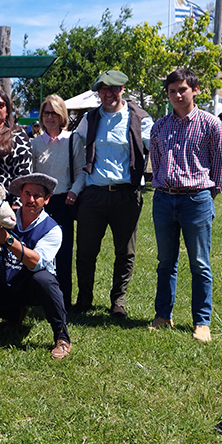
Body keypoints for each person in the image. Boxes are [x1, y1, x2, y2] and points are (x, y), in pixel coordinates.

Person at [149, 68, 222, 343]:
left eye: (182, 89)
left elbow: (220, 169)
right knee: (165, 262)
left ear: (195, 90)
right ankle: (163, 315)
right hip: (163, 199)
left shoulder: (211, 125)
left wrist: (207, 196)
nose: (177, 95)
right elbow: (156, 162)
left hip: (196, 200)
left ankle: (201, 321)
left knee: (200, 264)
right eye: (172, 91)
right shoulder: (159, 126)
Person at [0, 173, 72, 360]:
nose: (31, 199)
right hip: (2, 281)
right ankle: (14, 314)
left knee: (44, 279)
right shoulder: (6, 215)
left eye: (37, 196)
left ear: (46, 200)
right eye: (27, 193)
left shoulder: (52, 229)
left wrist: (8, 240)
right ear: (20, 194)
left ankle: (62, 337)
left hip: (30, 285)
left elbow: (36, 263)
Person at [72, 69, 153, 318]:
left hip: (126, 194)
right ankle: (84, 299)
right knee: (85, 251)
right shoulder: (90, 118)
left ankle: (118, 302)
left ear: (122, 89)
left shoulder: (140, 118)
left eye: (113, 89)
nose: (108, 94)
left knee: (125, 252)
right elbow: (74, 143)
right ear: (99, 93)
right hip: (94, 194)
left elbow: (158, 147)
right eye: (103, 90)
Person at [30, 94, 84, 310]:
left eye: (54, 112)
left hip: (64, 201)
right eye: (46, 112)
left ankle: (63, 300)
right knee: (37, 250)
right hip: (40, 203)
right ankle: (37, 297)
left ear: (62, 115)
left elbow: (81, 171)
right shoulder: (34, 143)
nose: (50, 117)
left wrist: (74, 191)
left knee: (63, 253)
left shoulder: (73, 141)